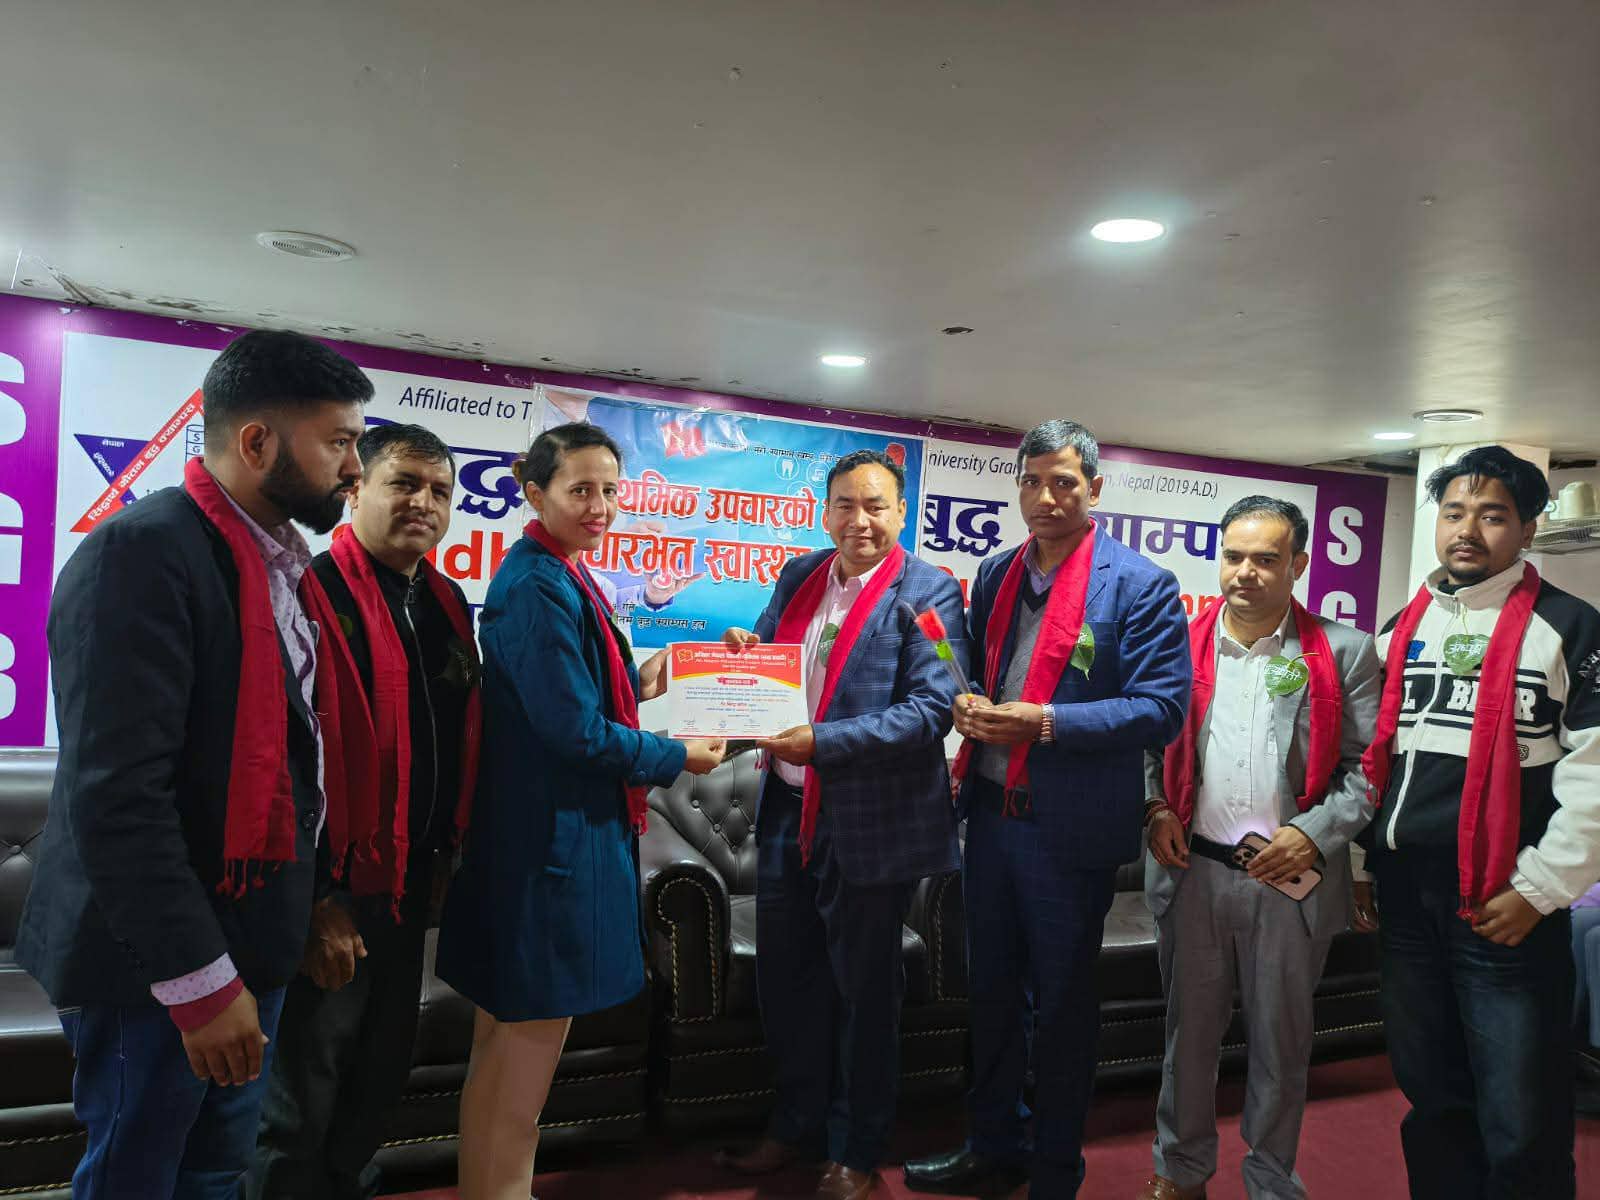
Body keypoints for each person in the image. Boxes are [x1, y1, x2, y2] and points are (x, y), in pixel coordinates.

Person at [15, 330, 373, 1197]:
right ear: (256, 442)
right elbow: (118, 800)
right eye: (339, 441)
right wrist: (202, 986)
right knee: (139, 1181)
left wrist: (311, 901)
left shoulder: (277, 563)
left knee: (213, 1176)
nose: (355, 468)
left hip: (247, 940)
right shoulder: (140, 554)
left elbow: (293, 764)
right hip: (153, 965)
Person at [433, 422, 726, 1200]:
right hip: (547, 845)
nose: (600, 506)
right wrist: (676, 755)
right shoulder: (538, 584)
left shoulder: (562, 571)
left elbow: (590, 692)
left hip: (550, 836)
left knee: (508, 1048)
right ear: (536, 493)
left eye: (609, 490)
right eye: (581, 490)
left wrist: (666, 672)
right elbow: (575, 731)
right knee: (522, 1054)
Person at [906, 418, 1191, 1200]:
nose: (1044, 497)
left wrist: (1047, 722)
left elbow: (1162, 708)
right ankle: (993, 1146)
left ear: (1093, 488)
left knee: (1062, 1005)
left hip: (1069, 830)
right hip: (991, 815)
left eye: (1063, 482)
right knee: (992, 995)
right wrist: (966, 701)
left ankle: (1056, 1171)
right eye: (1031, 481)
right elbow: (978, 667)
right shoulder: (998, 571)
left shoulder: (1140, 584)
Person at [714, 449, 967, 1200]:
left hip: (868, 822)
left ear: (901, 513)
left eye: (876, 506)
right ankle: (794, 1127)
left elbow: (931, 709)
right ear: (825, 512)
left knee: (865, 990)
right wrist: (745, 657)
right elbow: (771, 665)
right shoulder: (799, 575)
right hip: (787, 809)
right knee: (787, 980)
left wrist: (822, 742)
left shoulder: (929, 590)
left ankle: (856, 1147)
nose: (860, 521)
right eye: (846, 505)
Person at [1359, 445, 1600, 1198]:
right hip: (1407, 902)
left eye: (1492, 515)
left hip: (1507, 905)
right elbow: (1375, 761)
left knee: (1521, 1114)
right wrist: (1366, 867)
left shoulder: (1571, 627)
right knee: (1433, 1095)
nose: (1467, 530)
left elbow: (1596, 775)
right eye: (1454, 512)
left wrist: (1541, 888)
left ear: (1528, 528)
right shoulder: (1401, 629)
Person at [248, 424, 482, 1198]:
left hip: (411, 881)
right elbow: (276, 760)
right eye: (403, 483)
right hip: (330, 890)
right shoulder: (309, 594)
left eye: (439, 491)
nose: (423, 503)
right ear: (355, 491)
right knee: (302, 1091)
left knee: (379, 1070)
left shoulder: (445, 603)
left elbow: (463, 733)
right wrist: (316, 899)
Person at [1137, 496, 1380, 1200]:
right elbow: (1144, 746)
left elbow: (1368, 769)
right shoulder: (1176, 645)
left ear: (1298, 564)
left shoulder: (1343, 650)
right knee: (1188, 1038)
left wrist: (1313, 833)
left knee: (1282, 1043)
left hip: (1290, 880)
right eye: (1234, 557)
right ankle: (1180, 1168)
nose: (1245, 572)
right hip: (1194, 873)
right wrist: (1154, 806)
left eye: (1266, 559)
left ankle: (1271, 1180)